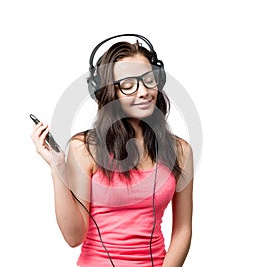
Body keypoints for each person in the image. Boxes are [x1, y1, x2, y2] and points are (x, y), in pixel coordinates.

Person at [31, 34, 194, 267]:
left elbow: (182, 230)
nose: (143, 91)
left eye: (149, 79)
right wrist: (58, 167)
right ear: (107, 92)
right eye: (128, 85)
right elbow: (74, 236)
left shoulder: (180, 151)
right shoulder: (85, 149)